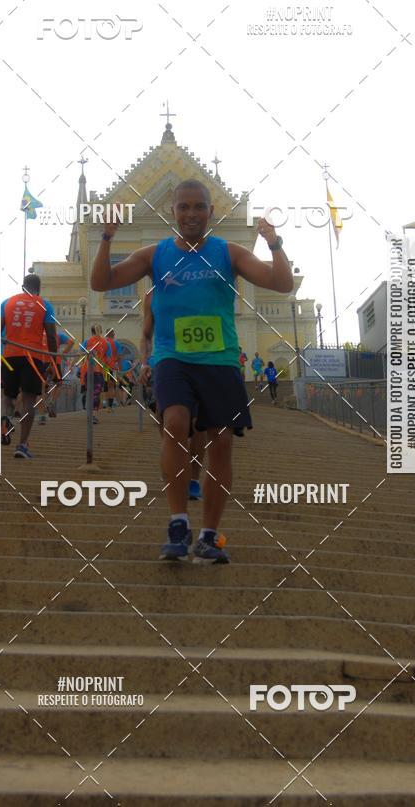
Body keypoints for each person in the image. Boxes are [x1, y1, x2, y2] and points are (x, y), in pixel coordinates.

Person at [91, 178, 293, 563]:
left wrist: (273, 242)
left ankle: (210, 534)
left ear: (210, 212)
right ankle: (178, 521)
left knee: (221, 442)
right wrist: (105, 238)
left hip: (219, 358)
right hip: (173, 357)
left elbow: (280, 283)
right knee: (176, 423)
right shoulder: (156, 254)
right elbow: (102, 281)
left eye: (199, 207)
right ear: (173, 212)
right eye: (183, 207)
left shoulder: (228, 253)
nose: (191, 214)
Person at [140, 289, 205, 501]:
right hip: (166, 359)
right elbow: (146, 334)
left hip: (200, 358)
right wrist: (143, 362)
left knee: (198, 423)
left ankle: (193, 479)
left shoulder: (199, 281)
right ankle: (176, 458)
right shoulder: (151, 295)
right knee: (165, 417)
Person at [1, 274, 57, 457]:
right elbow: (50, 336)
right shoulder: (45, 305)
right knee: (28, 399)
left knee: (8, 395)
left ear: (23, 286)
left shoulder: (7, 303)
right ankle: (22, 446)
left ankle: (5, 421)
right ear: (39, 289)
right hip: (33, 357)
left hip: (10, 354)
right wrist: (54, 363)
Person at [38, 329, 73, 424]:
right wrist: (62, 354)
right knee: (58, 384)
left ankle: (41, 415)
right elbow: (71, 342)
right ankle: (51, 403)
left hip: (41, 360)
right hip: (54, 361)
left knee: (41, 387)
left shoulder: (37, 333)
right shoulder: (57, 334)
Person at [79, 325, 106, 423]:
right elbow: (109, 360)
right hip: (99, 373)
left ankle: (90, 414)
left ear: (91, 332)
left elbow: (79, 355)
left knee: (90, 393)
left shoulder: (86, 342)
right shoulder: (105, 343)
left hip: (87, 372)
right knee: (97, 394)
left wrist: (72, 366)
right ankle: (94, 415)